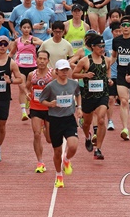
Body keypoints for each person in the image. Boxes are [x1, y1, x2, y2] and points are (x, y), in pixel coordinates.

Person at [39, 59, 82, 189]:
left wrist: (79, 107)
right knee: (57, 151)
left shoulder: (73, 84)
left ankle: (67, 160)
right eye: (62, 70)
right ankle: (59, 175)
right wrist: (50, 104)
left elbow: (78, 94)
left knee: (73, 146)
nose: (65, 72)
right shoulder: (51, 86)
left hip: (69, 118)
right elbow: (42, 100)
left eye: (66, 70)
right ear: (56, 71)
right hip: (55, 120)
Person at [71, 33, 111, 160]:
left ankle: (98, 149)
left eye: (103, 46)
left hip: (102, 94)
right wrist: (85, 75)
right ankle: (88, 137)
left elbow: (108, 72)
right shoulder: (85, 61)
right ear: (93, 47)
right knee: (87, 123)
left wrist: (109, 80)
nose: (102, 49)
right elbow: (74, 74)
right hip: (88, 95)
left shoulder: (107, 60)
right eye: (100, 46)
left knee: (100, 119)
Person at [111, 15, 130, 141]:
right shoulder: (116, 40)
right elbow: (114, 56)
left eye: (127, 25)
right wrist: (106, 65)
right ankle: (125, 128)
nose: (125, 27)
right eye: (123, 25)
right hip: (121, 74)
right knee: (123, 101)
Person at [9, 19, 44, 120]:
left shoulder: (34, 38)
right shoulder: (17, 41)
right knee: (22, 88)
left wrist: (32, 42)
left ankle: (30, 103)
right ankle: (23, 112)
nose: (26, 29)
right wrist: (6, 62)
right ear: (20, 29)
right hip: (20, 67)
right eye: (24, 27)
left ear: (31, 29)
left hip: (32, 67)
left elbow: (42, 43)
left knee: (31, 88)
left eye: (28, 28)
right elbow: (12, 53)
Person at [25, 50, 54, 173]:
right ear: (36, 60)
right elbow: (27, 87)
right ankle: (40, 162)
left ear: (48, 60)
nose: (42, 61)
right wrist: (27, 94)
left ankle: (46, 129)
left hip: (49, 109)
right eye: (40, 58)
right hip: (35, 107)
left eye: (44, 59)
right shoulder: (32, 75)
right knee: (36, 134)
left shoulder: (53, 74)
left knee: (49, 139)